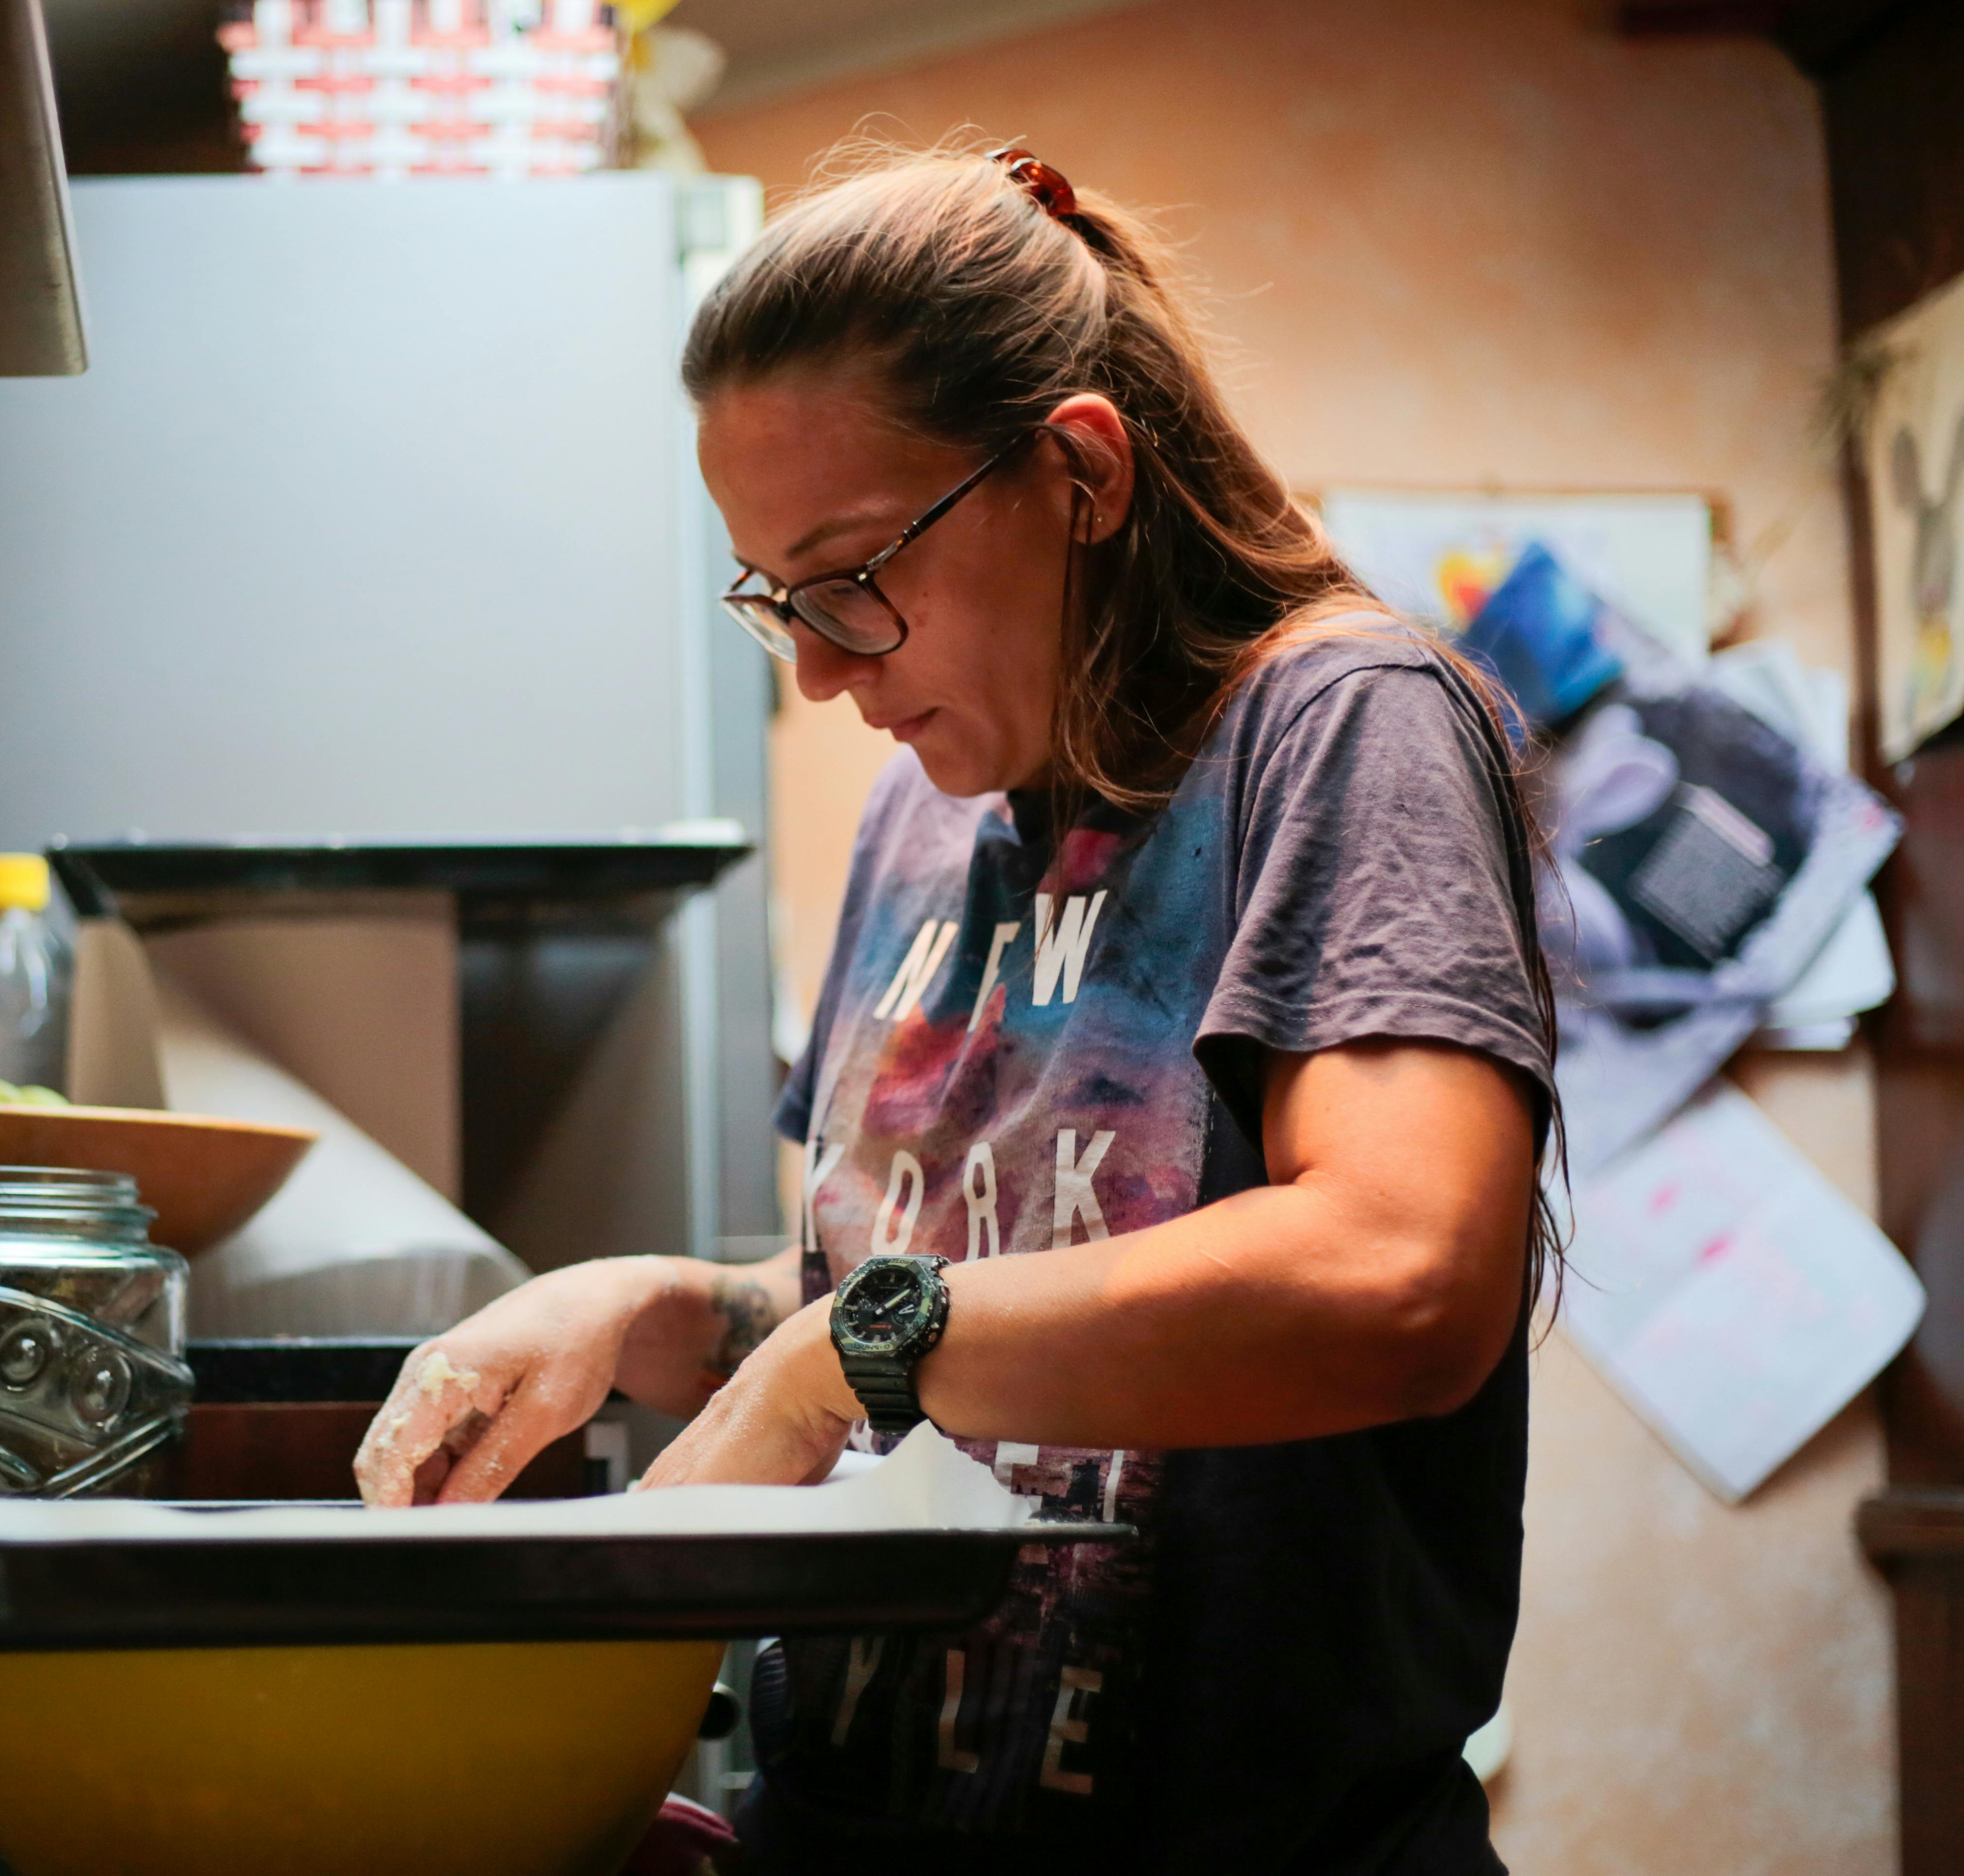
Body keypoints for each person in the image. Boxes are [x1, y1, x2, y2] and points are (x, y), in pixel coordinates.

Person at [355, 140, 1555, 1875]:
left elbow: (1401, 1273)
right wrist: (652, 1309)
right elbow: (916, 1278)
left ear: (1082, 472)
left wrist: (835, 1360)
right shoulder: (924, 817)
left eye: (854, 574)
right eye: (778, 600)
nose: (821, 668)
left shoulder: (1341, 728)